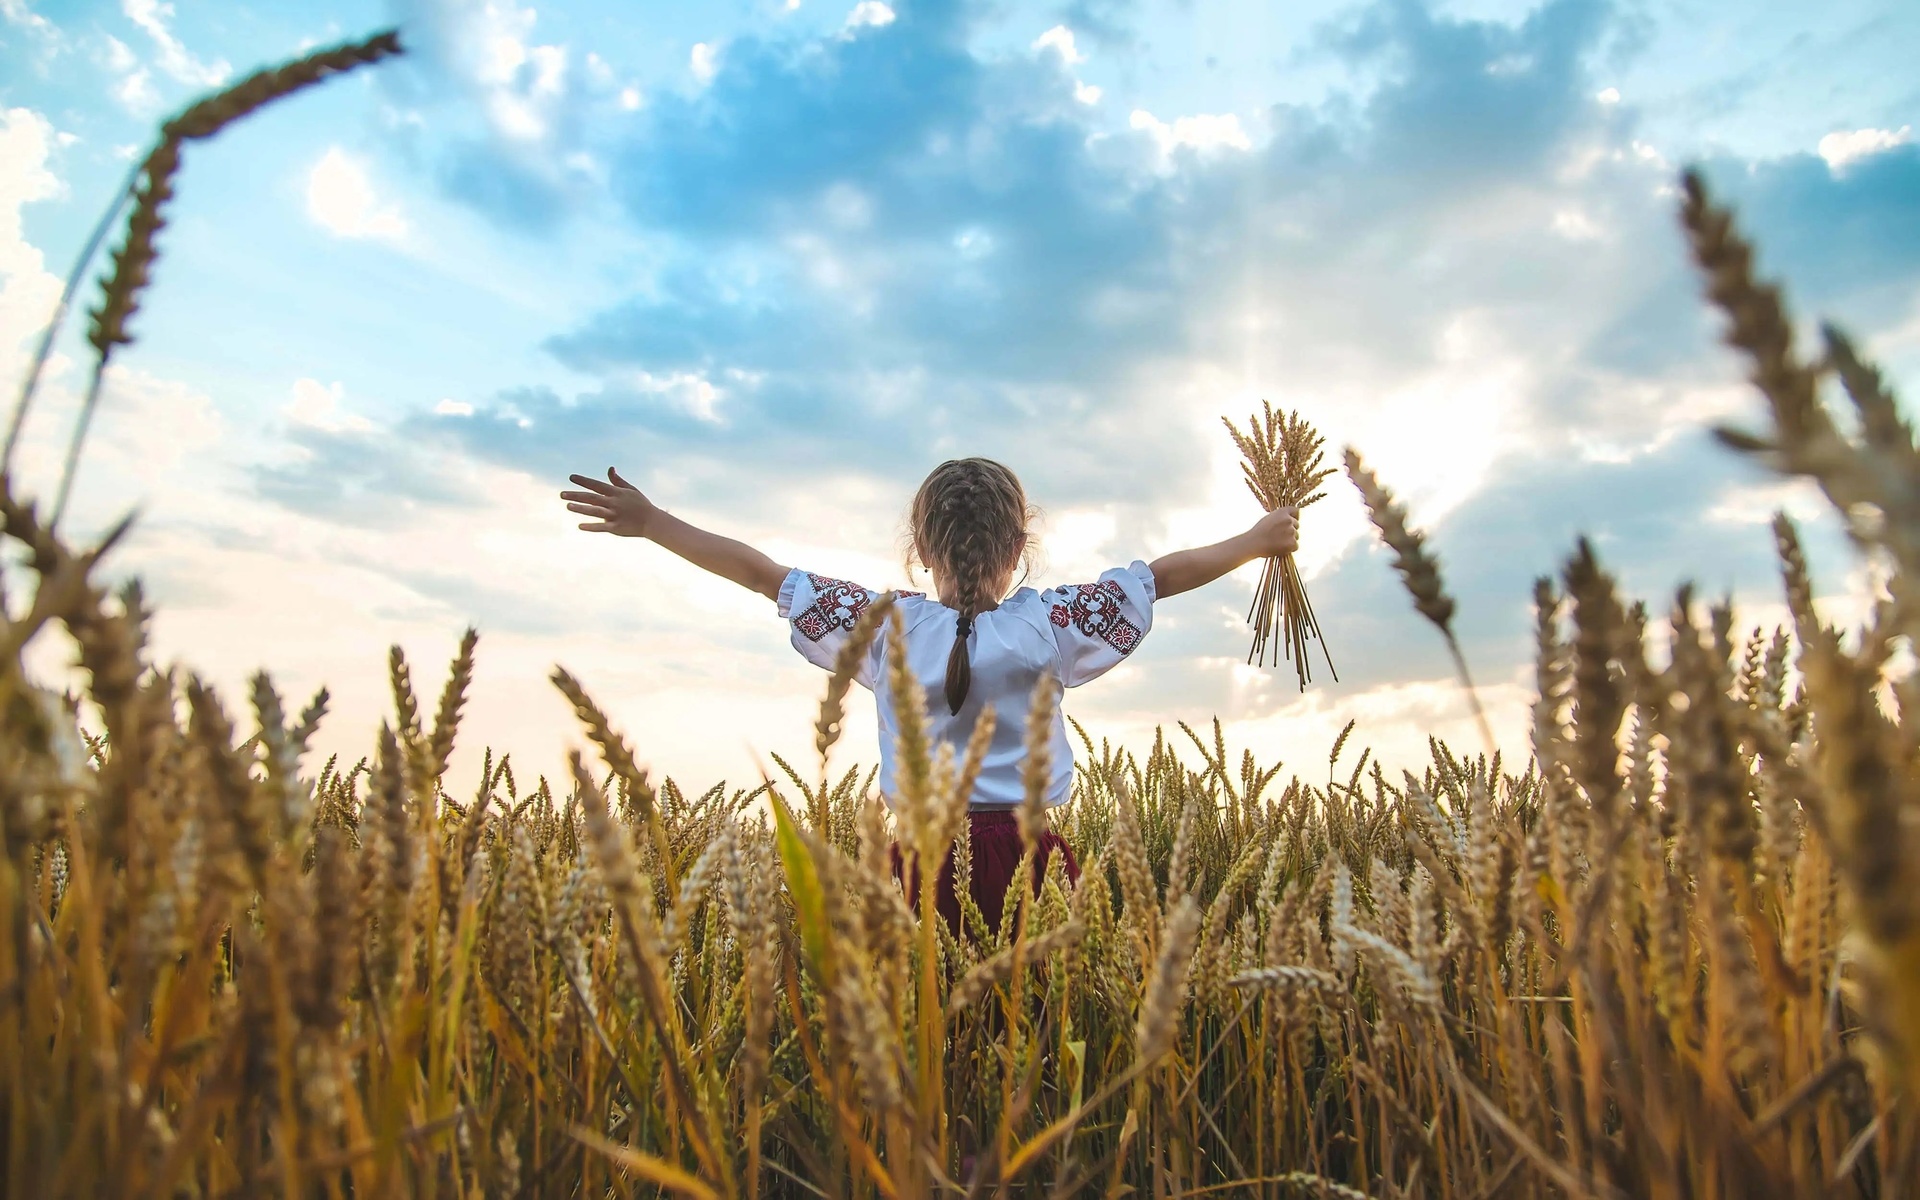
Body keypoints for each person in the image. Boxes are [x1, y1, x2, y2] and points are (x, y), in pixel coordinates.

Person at [559, 458, 1298, 933]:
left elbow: (762, 574)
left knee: (925, 1046)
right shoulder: (1049, 624)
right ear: (1018, 551)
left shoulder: (885, 627)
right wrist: (1257, 539)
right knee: (1036, 1040)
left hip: (914, 864)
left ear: (919, 550)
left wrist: (654, 523)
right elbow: (1161, 576)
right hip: (1032, 860)